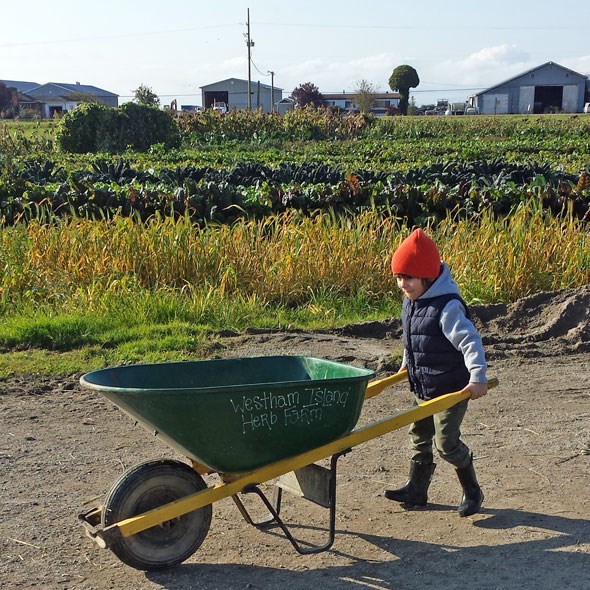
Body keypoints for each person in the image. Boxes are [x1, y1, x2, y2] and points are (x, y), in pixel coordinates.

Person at [384, 228, 488, 517]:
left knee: (446, 443)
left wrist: (477, 377)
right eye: (399, 277)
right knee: (418, 434)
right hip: (424, 385)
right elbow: (413, 339)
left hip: (452, 388)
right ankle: (417, 490)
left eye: (409, 278)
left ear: (428, 277)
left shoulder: (447, 306)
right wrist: (407, 363)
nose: (403, 284)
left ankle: (472, 490)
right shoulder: (413, 301)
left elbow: (470, 342)